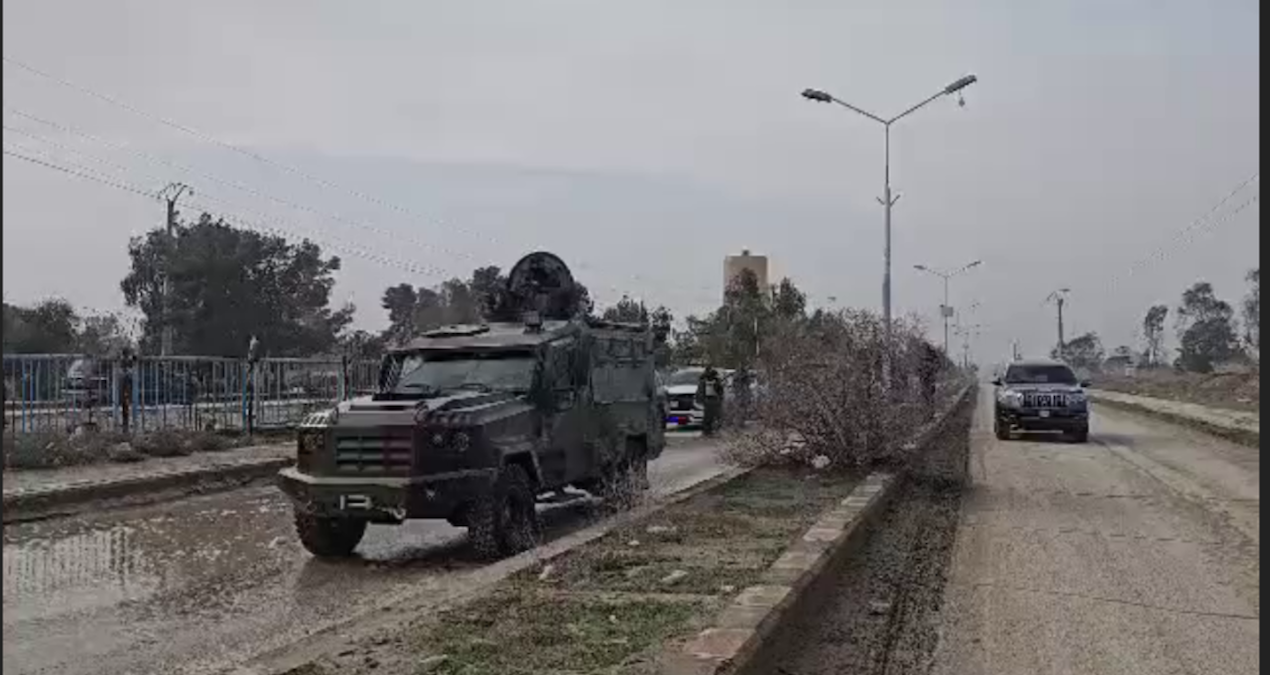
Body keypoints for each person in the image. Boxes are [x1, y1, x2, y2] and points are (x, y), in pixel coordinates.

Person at [697, 365, 725, 436]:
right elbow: (700, 391)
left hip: (714, 399)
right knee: (708, 417)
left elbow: (720, 391)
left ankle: (712, 430)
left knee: (715, 416)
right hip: (709, 400)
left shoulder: (716, 382)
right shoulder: (704, 381)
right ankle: (707, 431)